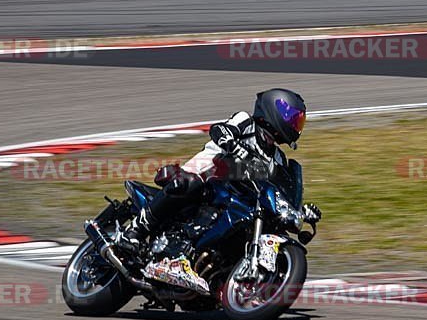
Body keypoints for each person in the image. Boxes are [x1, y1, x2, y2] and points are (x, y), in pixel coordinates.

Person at [119, 88, 322, 253]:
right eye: (293, 118)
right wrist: (232, 144)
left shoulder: (277, 157)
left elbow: (278, 192)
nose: (296, 126)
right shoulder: (246, 122)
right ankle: (136, 230)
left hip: (234, 194)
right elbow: (219, 129)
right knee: (187, 183)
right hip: (207, 174)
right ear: (275, 110)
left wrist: (300, 211)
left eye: (299, 121)